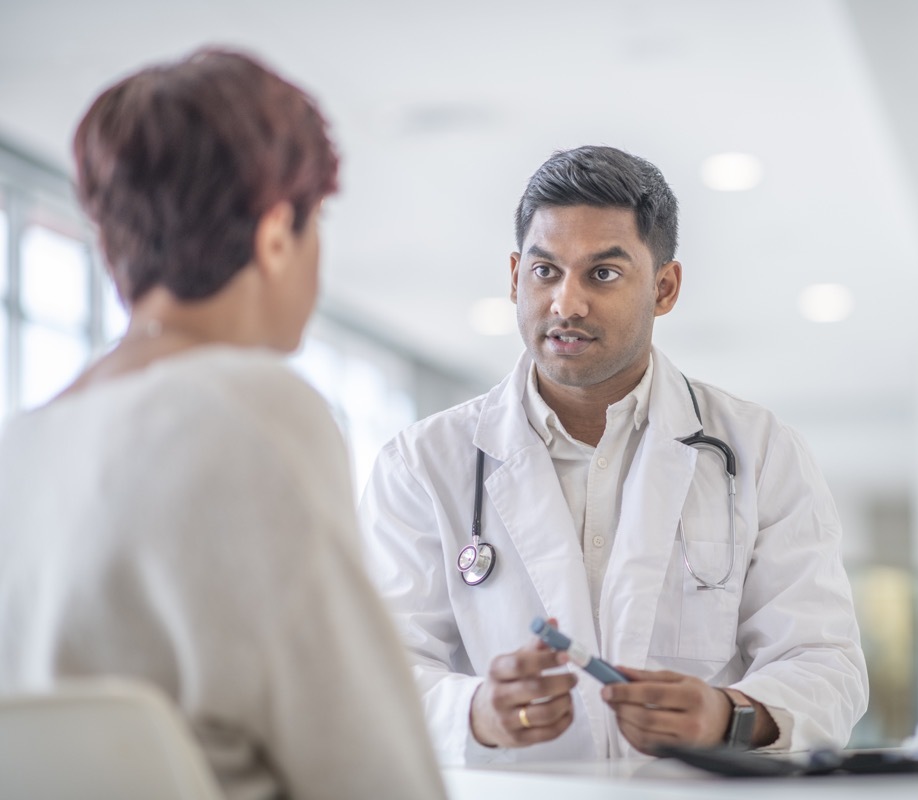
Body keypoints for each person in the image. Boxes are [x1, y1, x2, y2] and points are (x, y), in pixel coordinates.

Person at [0, 49, 446, 800]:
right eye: (318, 222)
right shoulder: (250, 408)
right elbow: (376, 771)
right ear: (276, 235)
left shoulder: (22, 446)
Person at [360, 145, 868, 764]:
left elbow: (825, 662)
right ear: (515, 274)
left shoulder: (759, 451)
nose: (566, 304)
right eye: (546, 271)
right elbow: (375, 678)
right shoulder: (423, 465)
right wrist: (476, 714)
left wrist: (728, 716)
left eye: (602, 274)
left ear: (664, 287)